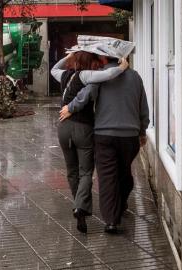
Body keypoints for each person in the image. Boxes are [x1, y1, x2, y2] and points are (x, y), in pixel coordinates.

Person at [60, 55, 150, 233]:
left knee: (107, 178)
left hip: (104, 135)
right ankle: (121, 202)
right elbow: (143, 107)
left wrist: (70, 107)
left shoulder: (100, 76)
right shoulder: (135, 76)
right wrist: (142, 130)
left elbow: (86, 95)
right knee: (124, 173)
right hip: (129, 136)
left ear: (104, 60)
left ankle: (111, 221)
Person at [51, 51, 129, 233]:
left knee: (71, 171)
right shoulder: (86, 75)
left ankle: (80, 207)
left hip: (63, 128)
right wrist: (122, 67)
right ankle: (80, 206)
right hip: (83, 128)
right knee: (85, 171)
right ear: (89, 61)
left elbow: (54, 67)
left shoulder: (64, 75)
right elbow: (109, 74)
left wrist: (69, 55)